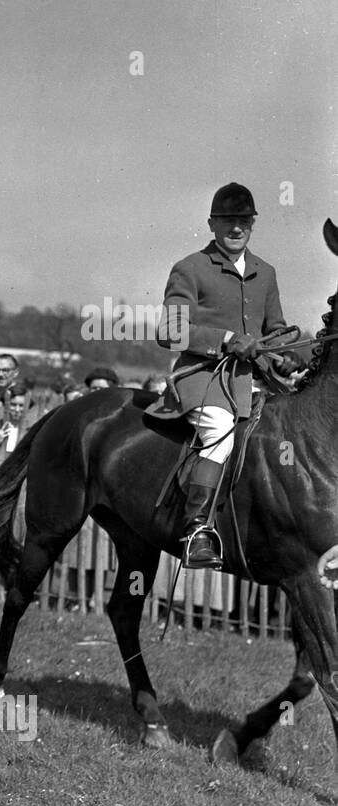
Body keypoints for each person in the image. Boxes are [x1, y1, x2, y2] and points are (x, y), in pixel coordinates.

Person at [144, 182, 294, 570]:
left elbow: (273, 330)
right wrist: (225, 339)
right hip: (204, 380)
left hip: (255, 382)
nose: (236, 228)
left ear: (253, 223)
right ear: (212, 224)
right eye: (228, 220)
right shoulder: (190, 268)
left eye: (244, 220)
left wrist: (283, 357)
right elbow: (170, 331)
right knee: (219, 433)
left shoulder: (267, 272)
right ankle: (197, 530)